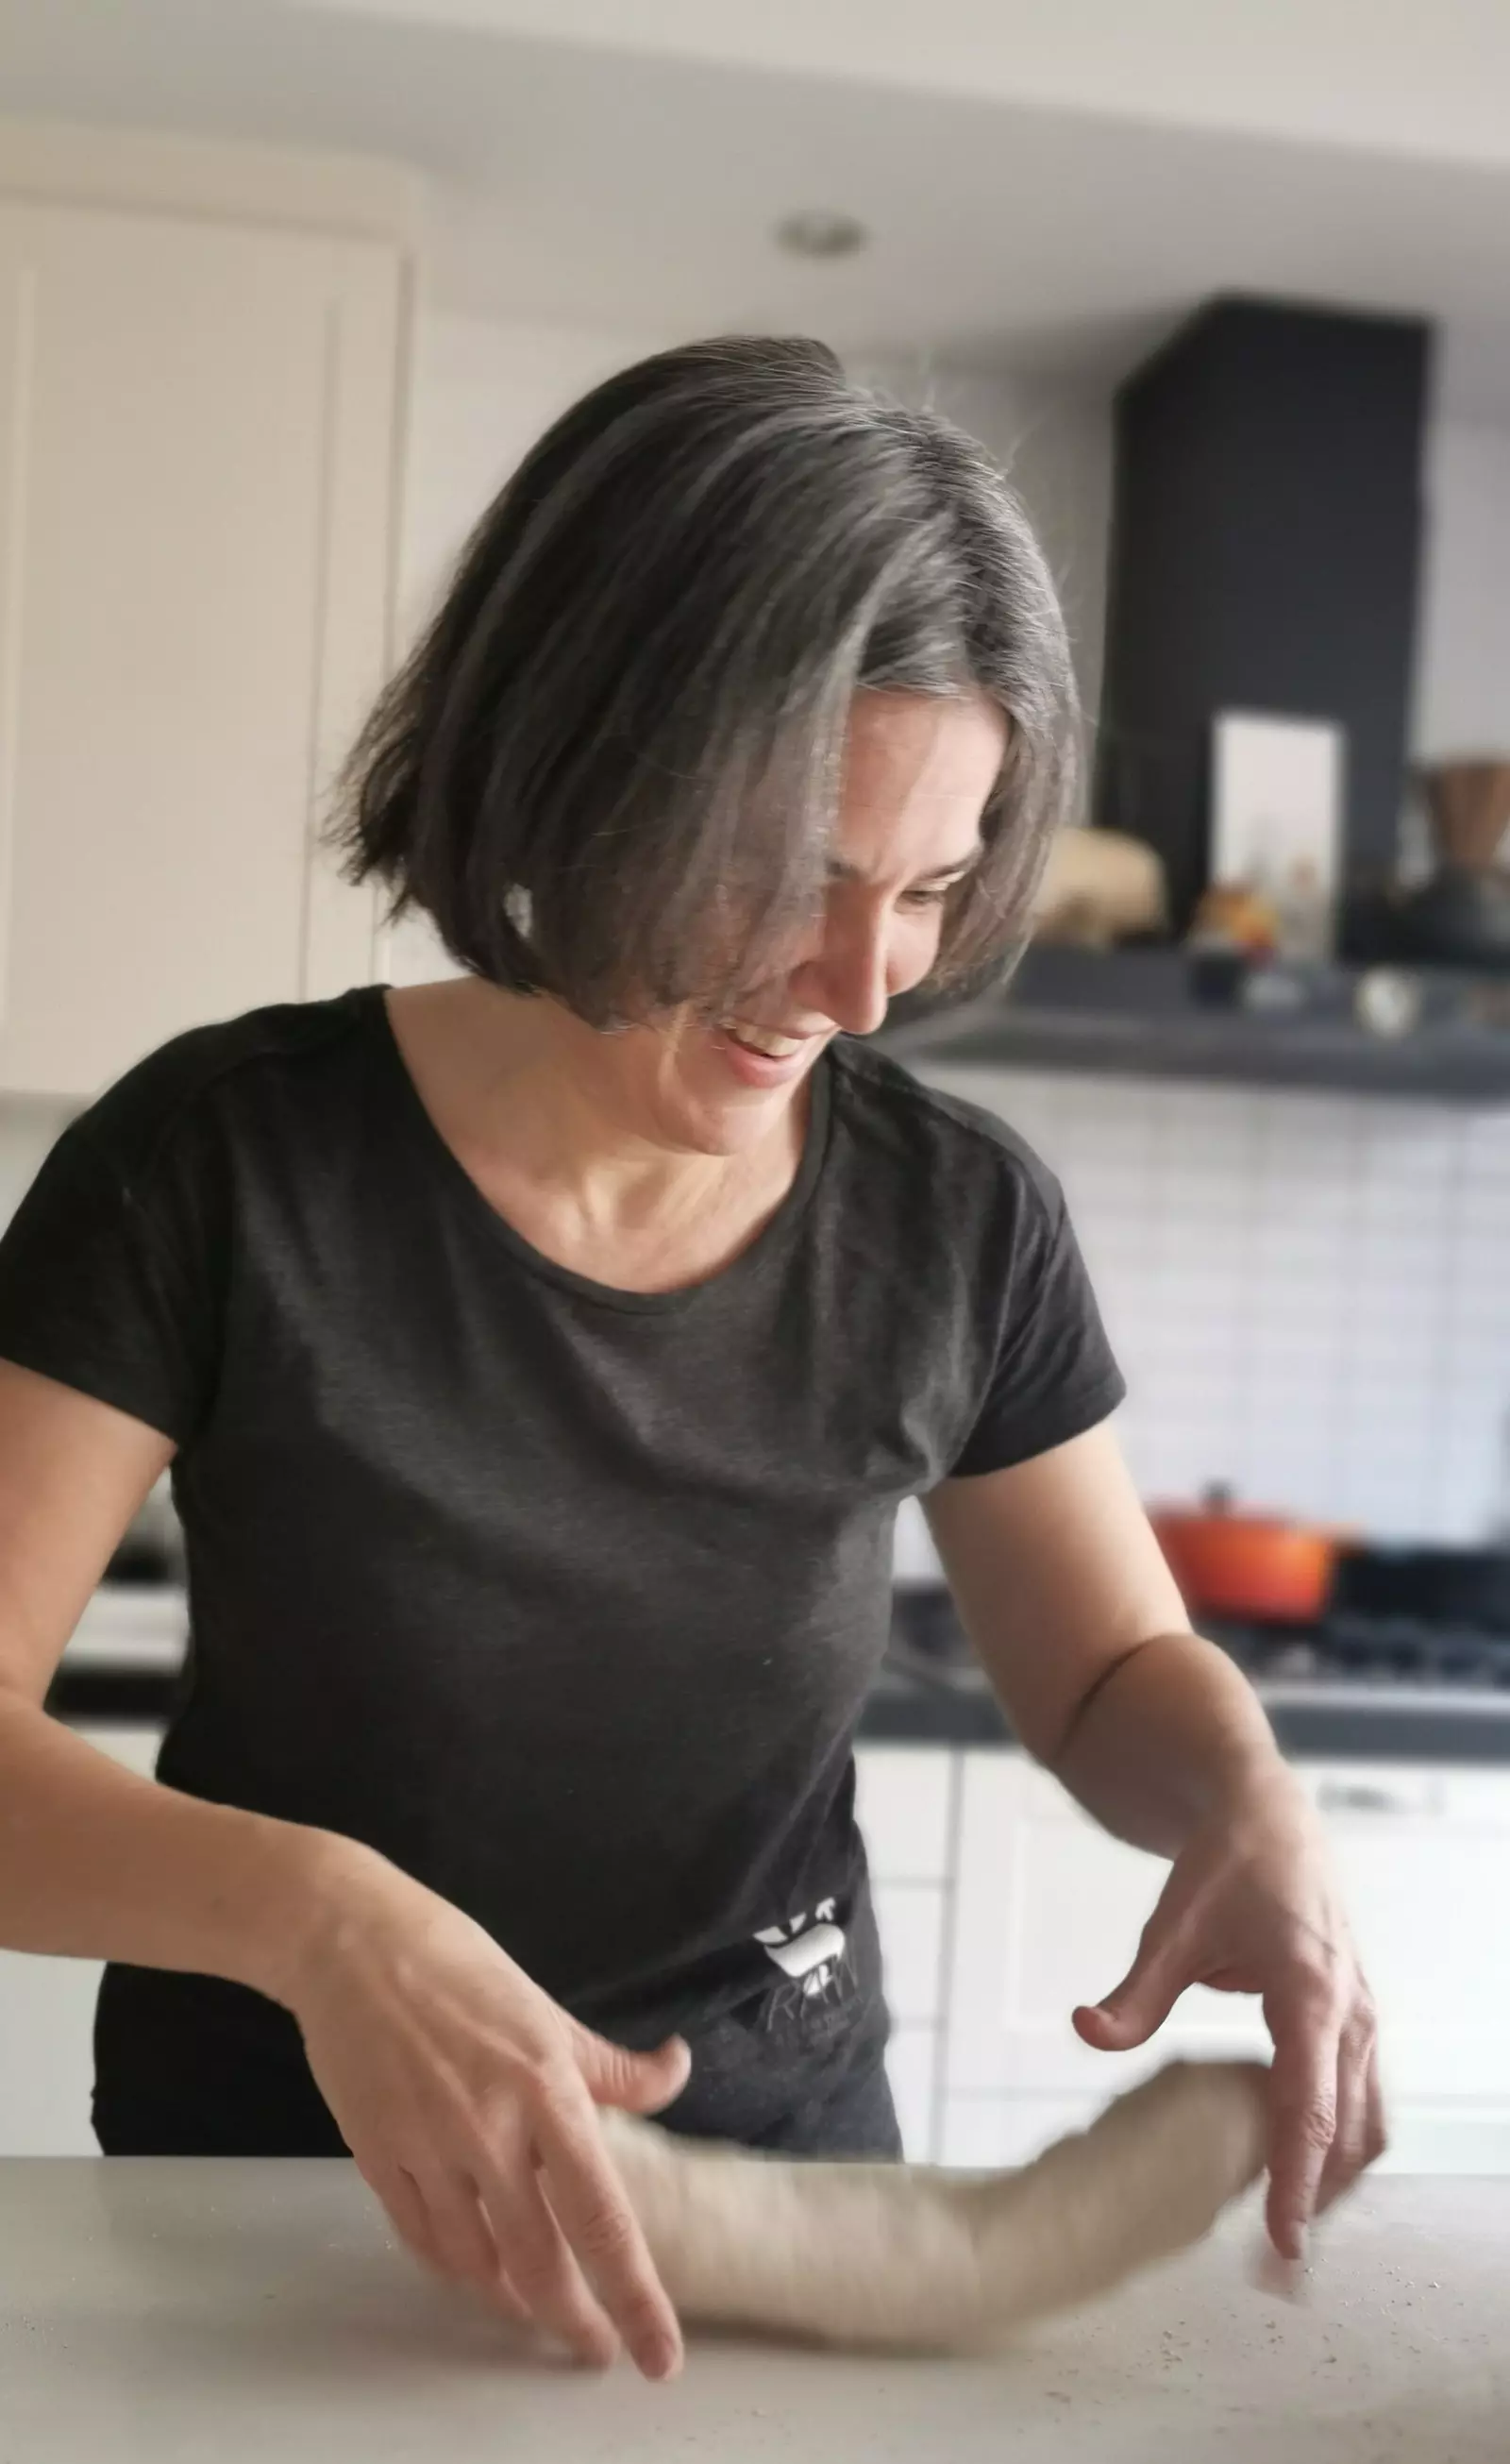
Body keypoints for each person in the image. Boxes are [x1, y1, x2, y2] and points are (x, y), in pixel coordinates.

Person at [0, 337, 1380, 2382]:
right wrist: (322, 1922)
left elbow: (1096, 1675)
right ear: (578, 766)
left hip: (793, 2187)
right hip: (286, 2196)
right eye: (785, 877)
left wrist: (1240, 1795)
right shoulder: (220, 1164)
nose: (857, 982)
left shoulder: (956, 1218)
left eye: (925, 889)